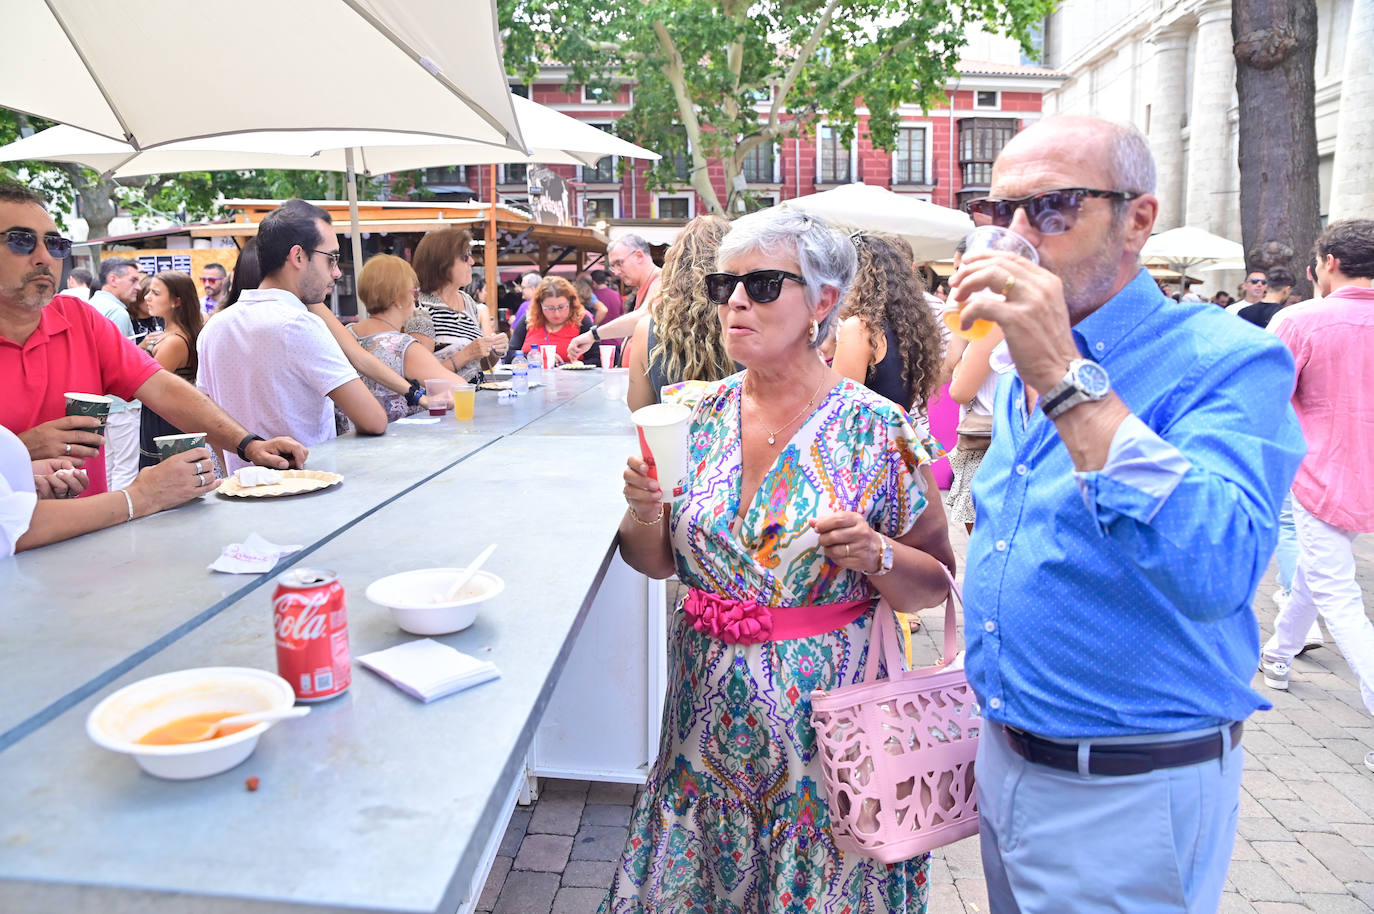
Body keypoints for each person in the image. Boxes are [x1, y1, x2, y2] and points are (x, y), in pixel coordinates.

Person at [951, 116, 1303, 912]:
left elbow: (1219, 566)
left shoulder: (1225, 357)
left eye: (1052, 208)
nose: (1015, 237)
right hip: (1008, 759)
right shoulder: (1017, 366)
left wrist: (1068, 383)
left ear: (1137, 219)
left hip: (1127, 784)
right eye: (998, 209)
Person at [605, 207, 955, 913]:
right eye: (725, 285)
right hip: (702, 738)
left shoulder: (883, 432)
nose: (736, 301)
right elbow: (653, 562)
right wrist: (644, 511)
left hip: (825, 747)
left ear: (824, 301)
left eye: (763, 285)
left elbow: (935, 584)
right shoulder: (688, 414)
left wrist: (877, 552)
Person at [0, 181, 306, 502]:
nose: (44, 257)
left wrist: (249, 444)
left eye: (56, 244)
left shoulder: (79, 318)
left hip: (91, 540)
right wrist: (18, 451)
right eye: (22, 241)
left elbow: (162, 388)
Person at [1259, 220, 1374, 774]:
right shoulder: (1302, 319)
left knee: (1335, 590)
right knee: (1319, 575)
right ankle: (1279, 655)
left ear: (1328, 263)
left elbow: (1262, 398)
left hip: (1322, 472)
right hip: (1337, 473)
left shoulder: (1301, 321)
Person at [196, 199, 386, 472]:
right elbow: (373, 419)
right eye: (331, 258)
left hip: (243, 494)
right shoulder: (299, 324)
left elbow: (209, 421)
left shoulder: (214, 328)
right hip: (306, 490)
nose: (336, 271)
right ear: (298, 256)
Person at [347, 254, 469, 426]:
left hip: (343, 440)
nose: (415, 298)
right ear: (398, 298)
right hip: (395, 444)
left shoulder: (346, 334)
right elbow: (459, 389)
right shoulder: (401, 347)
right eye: (414, 292)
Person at [627, 215, 733, 411]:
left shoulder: (647, 329)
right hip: (740, 440)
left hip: (673, 440)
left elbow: (638, 407)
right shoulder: (747, 323)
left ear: (675, 267)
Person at [832, 232, 942, 416]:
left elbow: (840, 408)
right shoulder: (908, 327)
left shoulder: (860, 328)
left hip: (865, 441)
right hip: (893, 439)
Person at [404, 229, 505, 380]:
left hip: (471, 399)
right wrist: (467, 353)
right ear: (442, 264)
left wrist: (495, 350)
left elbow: (477, 366)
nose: (472, 261)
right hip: (447, 401)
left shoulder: (467, 301)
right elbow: (421, 376)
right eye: (465, 257)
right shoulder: (421, 309)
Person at [88, 256, 145, 490]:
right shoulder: (116, 313)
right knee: (125, 468)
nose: (139, 287)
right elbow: (121, 365)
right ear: (113, 279)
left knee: (108, 467)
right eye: (133, 280)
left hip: (99, 403)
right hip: (121, 404)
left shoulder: (90, 307)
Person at [137, 271, 204, 468]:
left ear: (176, 301)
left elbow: (148, 387)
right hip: (166, 417)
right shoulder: (169, 336)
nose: (147, 298)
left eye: (156, 293)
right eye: (149, 292)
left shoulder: (174, 342)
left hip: (166, 422)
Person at [567, 234, 663, 360]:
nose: (617, 272)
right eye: (614, 266)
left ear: (639, 256)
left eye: (619, 263)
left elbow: (643, 317)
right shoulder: (645, 286)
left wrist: (592, 335)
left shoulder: (662, 280)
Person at [504, 276, 594, 365]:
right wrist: (536, 358)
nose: (556, 314)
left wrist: (572, 365)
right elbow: (510, 355)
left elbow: (596, 359)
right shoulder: (528, 320)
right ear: (540, 306)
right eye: (550, 308)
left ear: (571, 303)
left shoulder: (582, 321)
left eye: (562, 307)